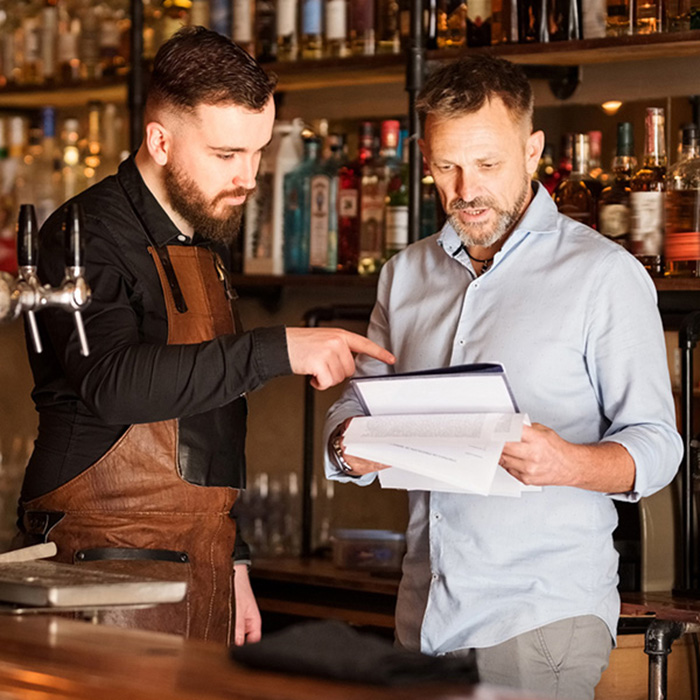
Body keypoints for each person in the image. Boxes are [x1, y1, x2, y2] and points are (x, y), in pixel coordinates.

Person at [16, 27, 393, 646]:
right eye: (225, 155)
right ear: (159, 141)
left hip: (200, 558)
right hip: (99, 566)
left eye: (257, 152)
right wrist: (280, 348)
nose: (247, 177)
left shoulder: (199, 236)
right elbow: (113, 384)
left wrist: (233, 554)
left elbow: (202, 421)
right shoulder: (84, 234)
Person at [324, 55, 682, 699]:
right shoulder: (405, 275)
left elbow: (658, 446)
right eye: (446, 167)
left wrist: (568, 462)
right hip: (423, 615)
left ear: (533, 149)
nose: (466, 189)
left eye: (488, 165)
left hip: (537, 619)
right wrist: (344, 445)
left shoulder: (603, 275)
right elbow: (357, 398)